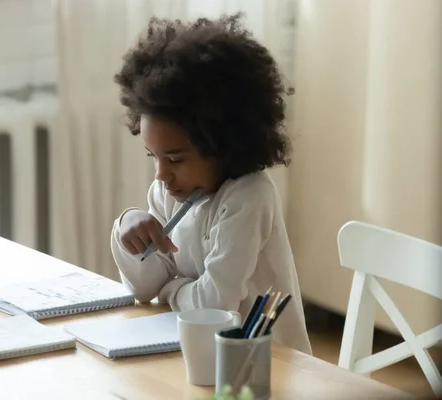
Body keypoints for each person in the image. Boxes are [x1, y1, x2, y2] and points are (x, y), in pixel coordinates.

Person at [110, 13, 311, 355]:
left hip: (267, 363)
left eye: (175, 159)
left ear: (224, 144)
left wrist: (170, 290)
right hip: (203, 352)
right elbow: (143, 290)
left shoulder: (249, 196)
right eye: (153, 156)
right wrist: (127, 228)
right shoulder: (168, 191)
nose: (161, 174)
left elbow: (215, 306)